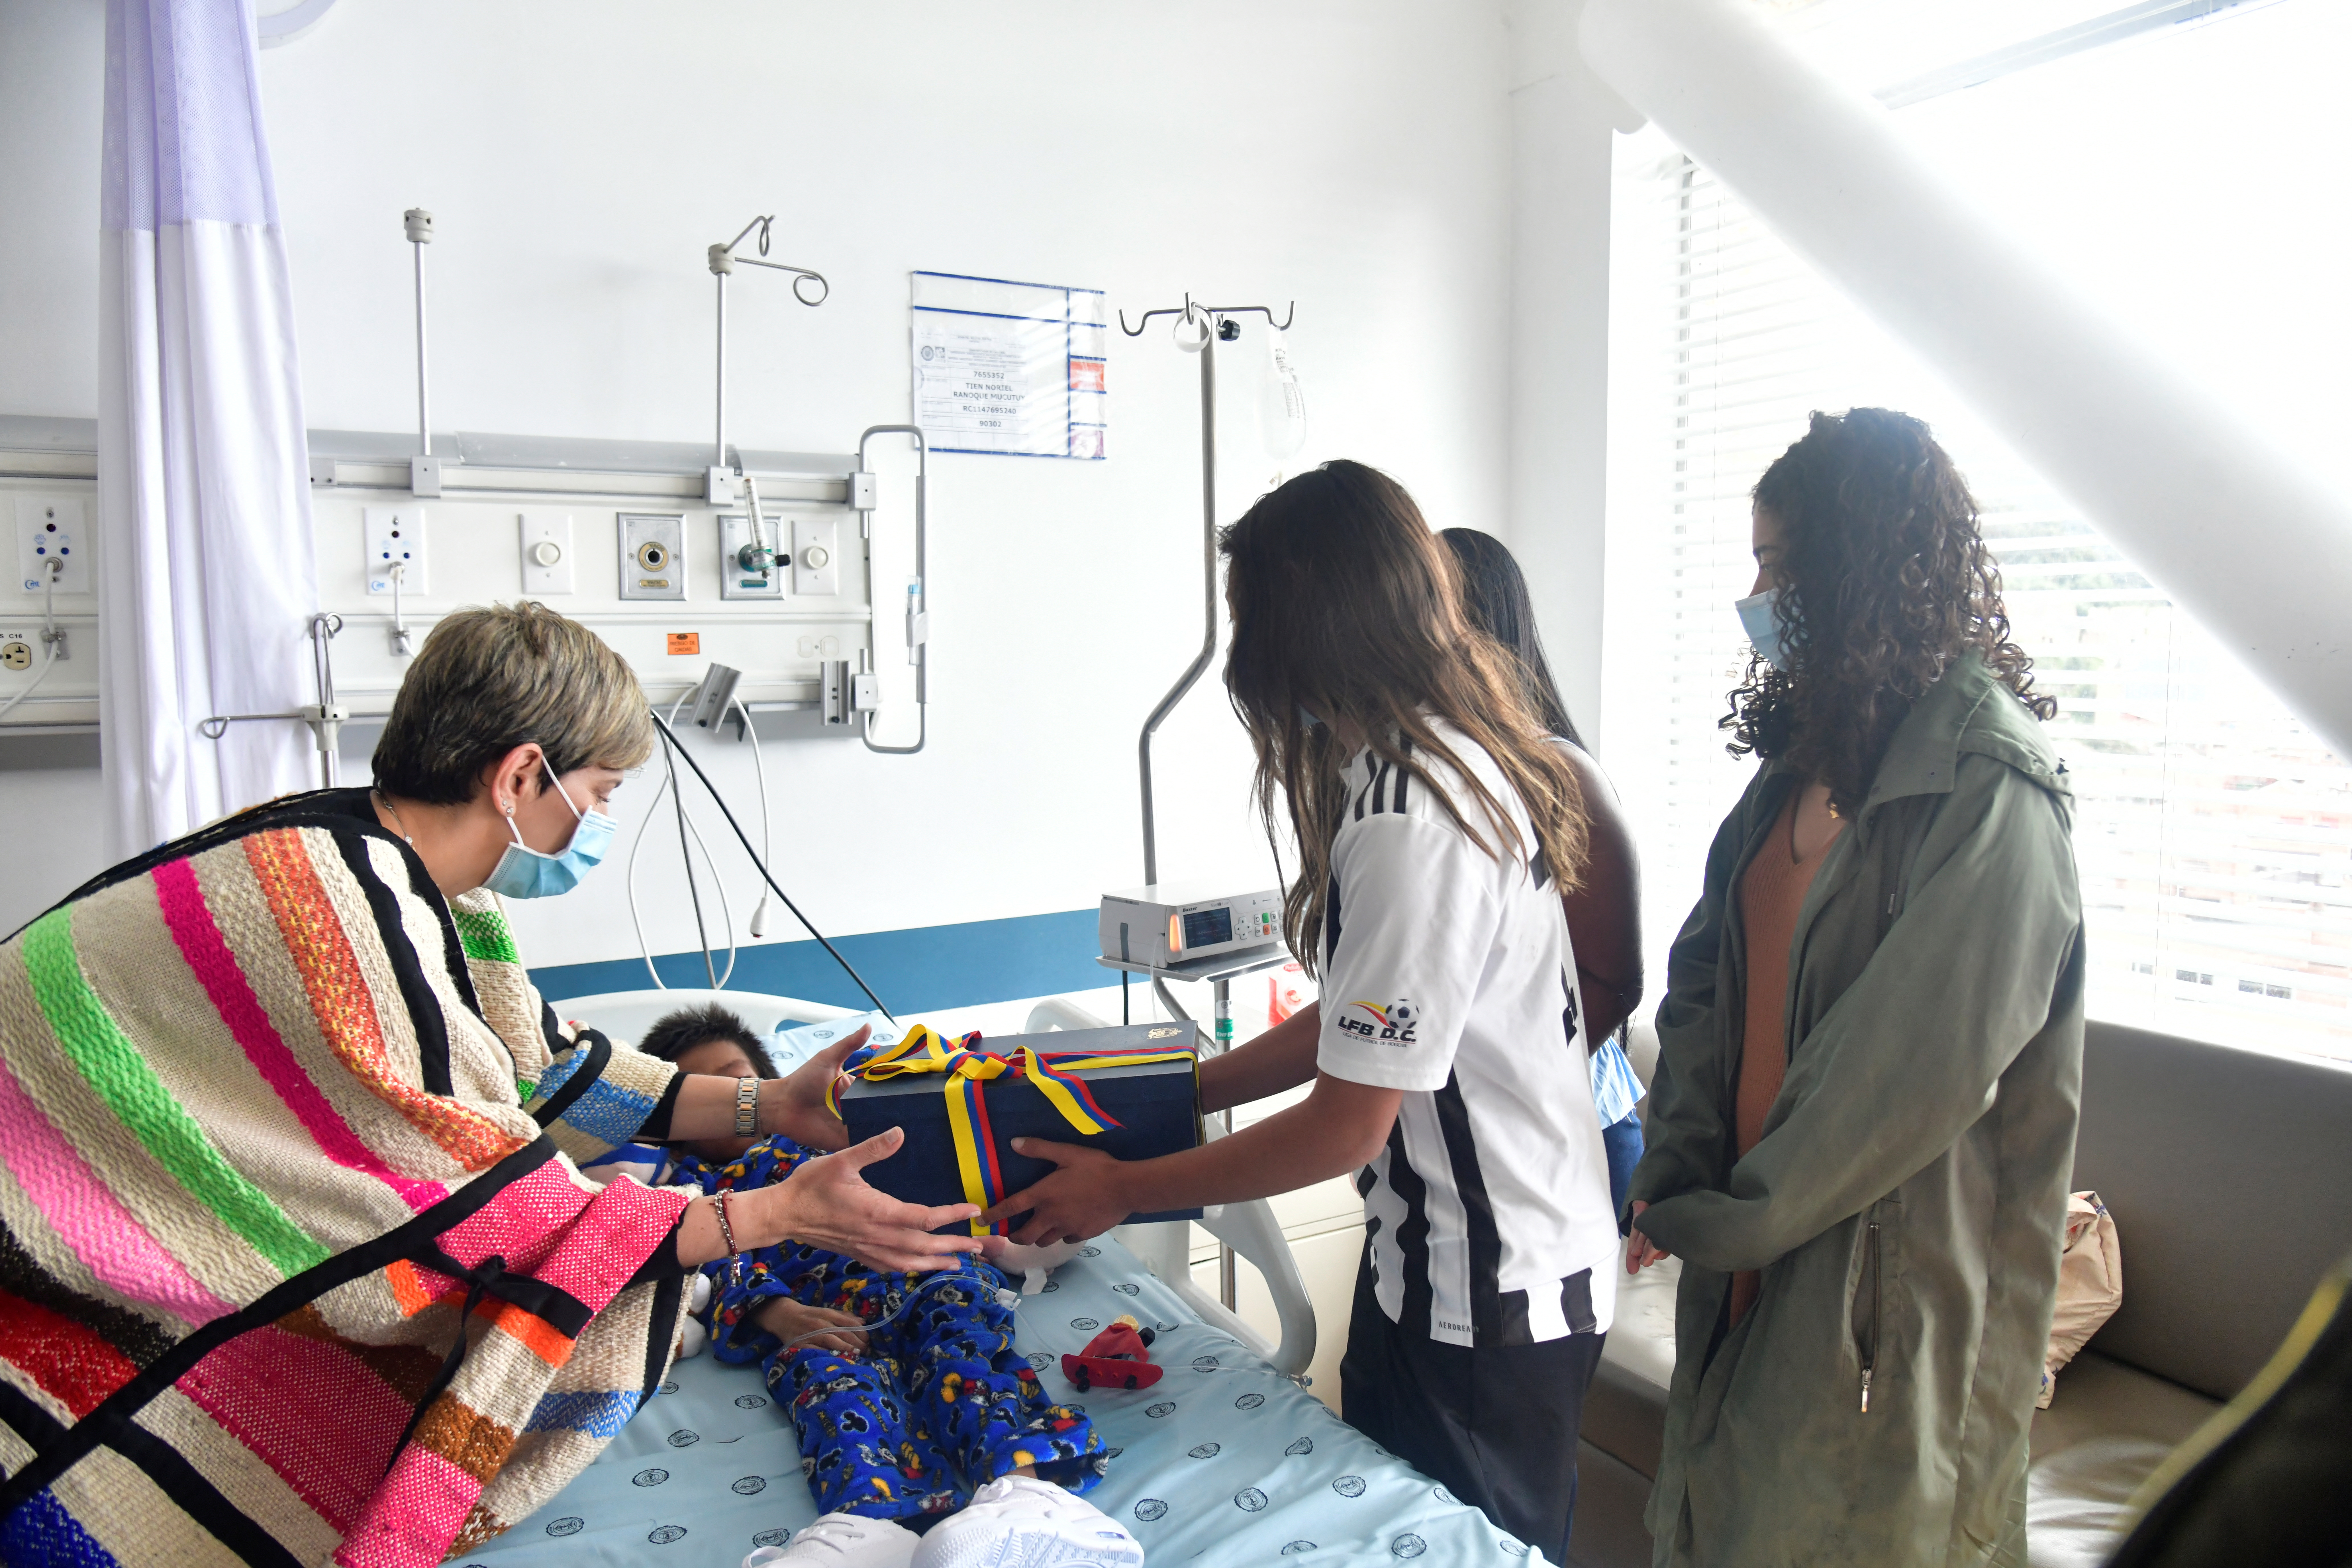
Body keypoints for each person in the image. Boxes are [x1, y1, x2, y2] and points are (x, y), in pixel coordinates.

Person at [0, 603, 987, 1567]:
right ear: (522, 774)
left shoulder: (366, 861)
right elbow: (505, 1227)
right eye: (599, 793)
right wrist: (770, 1215)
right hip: (34, 1264)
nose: (598, 820)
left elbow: (549, 1071)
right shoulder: (342, 919)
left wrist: (764, 1107)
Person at [982, 461, 1620, 1565]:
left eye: (1248, 615)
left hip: (1486, 1283)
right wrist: (1185, 1085)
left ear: (1299, 611)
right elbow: (1371, 1015)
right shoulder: (1439, 765)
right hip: (1462, 1264)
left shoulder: (1415, 810)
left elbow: (1346, 1121)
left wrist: (1122, 1189)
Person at [1624, 409, 2084, 1567]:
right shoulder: (1795, 772)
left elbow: (1890, 1083)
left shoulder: (1990, 793)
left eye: (1780, 566)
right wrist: (1674, 1169)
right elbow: (1701, 993)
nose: (1759, 596)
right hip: (1747, 1256)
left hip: (1882, 1313)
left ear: (1865, 570)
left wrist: (1702, 1216)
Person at [628, 1005, 1120, 1567]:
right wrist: (775, 1311)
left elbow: (934, 1131)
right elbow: (705, 1263)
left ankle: (1033, 1501)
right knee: (831, 1389)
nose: (734, 1095)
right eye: (712, 1091)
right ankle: (870, 1528)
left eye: (741, 1075)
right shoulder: (702, 1189)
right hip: (819, 1313)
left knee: (966, 1358)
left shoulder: (842, 1130)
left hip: (928, 1273)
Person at [1439, 527, 1647, 1216]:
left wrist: (1501, 1097)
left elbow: (1615, 985)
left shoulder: (1557, 773)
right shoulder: (1443, 780)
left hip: (1577, 1128)